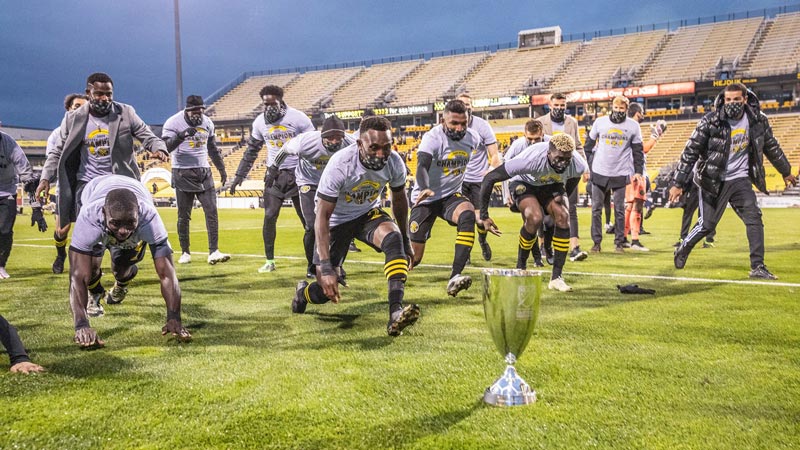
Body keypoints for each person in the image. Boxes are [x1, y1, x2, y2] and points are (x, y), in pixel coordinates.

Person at [36, 72, 167, 315]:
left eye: (108, 94)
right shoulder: (74, 118)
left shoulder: (125, 113)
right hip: (88, 189)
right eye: (99, 93)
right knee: (91, 257)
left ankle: (122, 281)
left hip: (123, 190)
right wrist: (45, 178)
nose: (104, 98)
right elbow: (56, 153)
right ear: (88, 93)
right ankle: (94, 294)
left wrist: (157, 147)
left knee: (122, 263)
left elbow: (146, 135)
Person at [291, 116, 420, 336]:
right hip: (336, 222)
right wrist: (325, 265)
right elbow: (322, 217)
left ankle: (395, 313)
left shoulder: (395, 161)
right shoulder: (340, 165)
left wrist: (407, 240)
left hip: (366, 213)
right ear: (359, 144)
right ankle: (303, 293)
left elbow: (399, 200)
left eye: (386, 147)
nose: (381, 155)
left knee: (393, 239)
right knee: (326, 291)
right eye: (374, 148)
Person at [670, 83, 796, 279]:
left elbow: (771, 146)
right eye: (728, 100)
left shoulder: (757, 120)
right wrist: (678, 183)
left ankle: (758, 266)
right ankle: (684, 247)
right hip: (712, 180)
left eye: (737, 99)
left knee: (754, 218)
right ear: (723, 100)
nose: (732, 103)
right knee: (707, 225)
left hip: (740, 179)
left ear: (745, 99)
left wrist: (786, 171)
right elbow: (690, 152)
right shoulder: (710, 121)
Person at [68, 175, 191, 347]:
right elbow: (77, 277)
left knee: (121, 269)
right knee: (91, 270)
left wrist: (174, 317)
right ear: (103, 213)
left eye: (130, 222)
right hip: (94, 191)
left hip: (130, 199)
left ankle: (122, 282)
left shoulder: (150, 218)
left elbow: (167, 274)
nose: (123, 231)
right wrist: (81, 325)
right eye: (116, 223)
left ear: (139, 213)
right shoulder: (89, 217)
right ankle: (95, 294)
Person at [479, 134, 586, 292]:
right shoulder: (530, 160)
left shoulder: (577, 164)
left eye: (566, 159)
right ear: (548, 153)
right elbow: (489, 178)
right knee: (535, 217)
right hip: (524, 182)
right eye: (559, 158)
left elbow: (572, 181)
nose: (563, 163)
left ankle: (556, 278)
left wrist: (559, 198)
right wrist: (484, 216)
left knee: (563, 216)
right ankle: (520, 267)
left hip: (550, 184)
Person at [229, 85, 313, 273]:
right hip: (274, 175)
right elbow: (252, 150)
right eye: (265, 104)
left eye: (272, 103)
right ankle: (269, 261)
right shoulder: (259, 122)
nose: (268, 107)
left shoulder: (298, 118)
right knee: (269, 216)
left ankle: (312, 264)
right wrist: (239, 175)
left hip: (298, 173)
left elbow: (312, 145)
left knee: (308, 222)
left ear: (281, 101)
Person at [409, 100, 488, 297]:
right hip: (425, 199)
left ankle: (455, 275)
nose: (459, 128)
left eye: (463, 123)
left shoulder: (473, 137)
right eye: (454, 123)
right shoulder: (432, 138)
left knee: (468, 215)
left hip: (450, 196)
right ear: (443, 120)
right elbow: (422, 166)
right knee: (414, 258)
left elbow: (483, 153)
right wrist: (425, 187)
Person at [266, 115, 354, 278]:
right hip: (309, 182)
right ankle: (312, 265)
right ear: (322, 136)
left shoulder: (352, 143)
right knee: (312, 225)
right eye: (330, 137)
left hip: (335, 185)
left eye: (338, 137)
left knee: (341, 226)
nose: (335, 141)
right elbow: (284, 149)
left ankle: (336, 264)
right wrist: (273, 168)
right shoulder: (305, 142)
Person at [162, 95, 230, 265]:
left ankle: (214, 251)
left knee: (212, 211)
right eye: (194, 111)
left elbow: (212, 148)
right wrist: (181, 135)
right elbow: (165, 148)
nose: (197, 114)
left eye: (200, 111)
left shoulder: (207, 122)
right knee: (183, 216)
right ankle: (185, 252)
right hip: (182, 171)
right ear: (187, 110)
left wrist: (221, 169)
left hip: (204, 170)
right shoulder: (173, 123)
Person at [584, 96, 645, 253]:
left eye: (621, 109)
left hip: (620, 172)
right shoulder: (600, 122)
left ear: (626, 109)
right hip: (599, 171)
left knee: (619, 209)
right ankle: (596, 243)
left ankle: (619, 243)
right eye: (616, 108)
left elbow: (638, 151)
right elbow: (588, 146)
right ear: (612, 107)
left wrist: (638, 171)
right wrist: (587, 167)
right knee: (596, 209)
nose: (618, 111)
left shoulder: (633, 126)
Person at [535, 93, 589, 262]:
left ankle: (574, 247)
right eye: (556, 105)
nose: (559, 108)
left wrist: (585, 168)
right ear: (549, 105)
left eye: (562, 105)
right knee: (545, 211)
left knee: (570, 208)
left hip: (568, 171)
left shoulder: (571, 122)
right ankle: (543, 245)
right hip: (547, 172)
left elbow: (578, 146)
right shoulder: (541, 122)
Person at [42, 93, 88, 274]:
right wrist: (46, 178)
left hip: (87, 184)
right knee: (62, 229)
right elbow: (53, 158)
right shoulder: (56, 135)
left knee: (92, 224)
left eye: (84, 107)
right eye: (77, 106)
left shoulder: (91, 130)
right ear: (68, 110)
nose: (81, 110)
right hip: (67, 184)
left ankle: (90, 265)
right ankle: (60, 255)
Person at [456, 94, 501, 262]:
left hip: (478, 180)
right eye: (461, 104)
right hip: (459, 180)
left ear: (472, 107)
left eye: (468, 104)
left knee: (481, 219)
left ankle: (482, 240)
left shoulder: (482, 126)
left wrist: (490, 170)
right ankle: (465, 252)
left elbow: (495, 154)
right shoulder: (450, 125)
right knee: (464, 216)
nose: (465, 107)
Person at [502, 119, 547, 269]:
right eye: (530, 139)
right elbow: (504, 169)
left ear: (543, 134)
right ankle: (535, 258)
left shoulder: (550, 144)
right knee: (531, 220)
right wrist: (506, 194)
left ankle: (540, 255)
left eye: (537, 139)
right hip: (521, 185)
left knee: (537, 222)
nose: (533, 142)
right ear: (524, 135)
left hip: (541, 185)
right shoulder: (518, 146)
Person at [622, 103, 667, 251]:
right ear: (636, 113)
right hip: (636, 172)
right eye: (641, 113)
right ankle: (634, 240)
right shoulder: (633, 127)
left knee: (630, 206)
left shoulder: (626, 127)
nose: (643, 115)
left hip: (628, 172)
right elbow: (644, 149)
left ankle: (623, 238)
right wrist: (656, 134)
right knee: (637, 205)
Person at [0, 131, 44, 279]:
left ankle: (0, 265)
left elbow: (27, 177)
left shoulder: (8, 143)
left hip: (6, 191)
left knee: (5, 231)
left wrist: (36, 208)